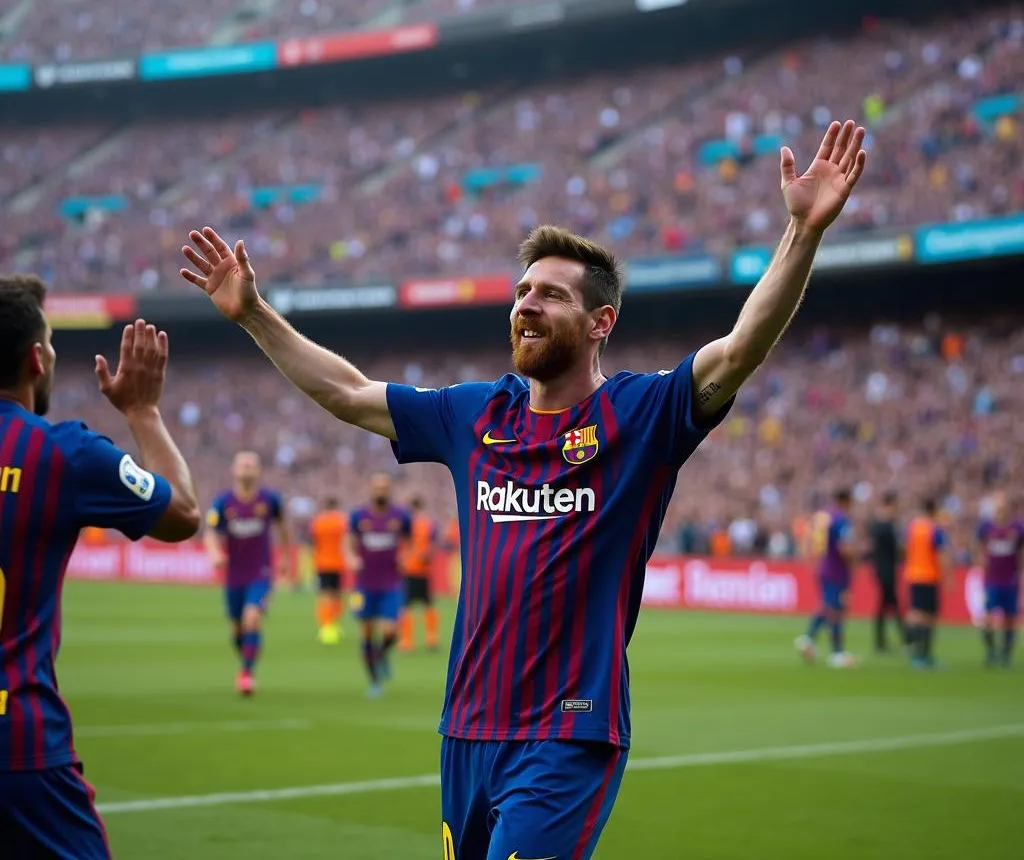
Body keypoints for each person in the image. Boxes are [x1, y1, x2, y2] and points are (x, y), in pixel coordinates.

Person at [181, 119, 867, 860]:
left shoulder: (640, 415)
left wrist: (801, 233)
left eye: (550, 295)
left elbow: (741, 349)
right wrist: (252, 313)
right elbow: (348, 393)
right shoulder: (474, 414)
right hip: (467, 727)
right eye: (522, 291)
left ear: (600, 322)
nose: (527, 304)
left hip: (567, 731)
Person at [0, 279, 201, 859]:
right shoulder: (61, 453)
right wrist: (143, 411)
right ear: (37, 358)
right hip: (23, 750)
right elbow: (182, 512)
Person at [204, 451, 290, 696]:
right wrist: (214, 553)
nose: (246, 469)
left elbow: (283, 529)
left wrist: (284, 557)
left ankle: (246, 674)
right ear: (234, 470)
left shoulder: (271, 500)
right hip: (234, 575)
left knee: (252, 618)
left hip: (261, 572)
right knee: (237, 629)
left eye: (250, 465)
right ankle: (247, 659)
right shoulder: (222, 503)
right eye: (242, 465)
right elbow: (210, 532)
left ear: (258, 471)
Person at [346, 471, 412, 697]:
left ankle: (381, 654)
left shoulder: (400, 516)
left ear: (389, 490)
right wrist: (351, 558)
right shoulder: (359, 517)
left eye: (384, 488)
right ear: (371, 490)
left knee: (390, 631)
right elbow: (348, 544)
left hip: (391, 583)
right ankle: (374, 681)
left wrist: (406, 556)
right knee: (366, 632)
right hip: (364, 585)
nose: (381, 491)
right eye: (377, 488)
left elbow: (409, 542)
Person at [795, 489, 859, 668]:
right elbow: (844, 547)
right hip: (836, 570)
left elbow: (809, 538)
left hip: (823, 566)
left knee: (829, 605)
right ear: (846, 500)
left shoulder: (823, 516)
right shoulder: (841, 519)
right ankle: (836, 652)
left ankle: (809, 638)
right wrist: (854, 561)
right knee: (836, 610)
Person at [976, 491, 1024, 667]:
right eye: (998, 506)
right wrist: (980, 563)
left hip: (1010, 580)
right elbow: (979, 548)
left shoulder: (1018, 528)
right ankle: (991, 651)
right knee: (988, 616)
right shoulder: (986, 527)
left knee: (1010, 618)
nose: (1000, 509)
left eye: (1003, 505)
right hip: (991, 580)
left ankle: (1006, 653)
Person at [903, 497, 951, 669]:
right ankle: (924, 655)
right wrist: (948, 576)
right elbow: (942, 555)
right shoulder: (935, 529)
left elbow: (904, 549)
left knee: (915, 614)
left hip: (913, 574)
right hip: (930, 575)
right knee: (929, 617)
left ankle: (913, 649)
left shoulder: (912, 527)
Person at [399, 494, 441, 652]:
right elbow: (434, 544)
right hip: (424, 570)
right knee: (428, 604)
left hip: (409, 569)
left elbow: (401, 544)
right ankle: (432, 639)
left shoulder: (406, 523)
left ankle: (407, 641)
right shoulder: (429, 523)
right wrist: (426, 555)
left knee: (406, 606)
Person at [868, 489, 905, 653]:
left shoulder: (878, 524)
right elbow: (894, 549)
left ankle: (883, 641)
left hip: (883, 569)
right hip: (886, 570)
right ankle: (905, 638)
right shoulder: (885, 525)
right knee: (890, 604)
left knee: (886, 605)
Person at [310, 495, 348, 644]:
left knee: (324, 595)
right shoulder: (343, 521)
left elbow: (313, 541)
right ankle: (335, 623)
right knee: (337, 595)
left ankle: (326, 627)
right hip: (338, 563)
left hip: (322, 563)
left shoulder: (318, 521)